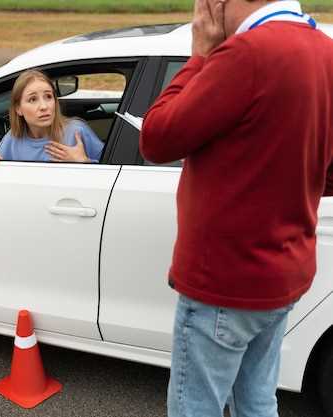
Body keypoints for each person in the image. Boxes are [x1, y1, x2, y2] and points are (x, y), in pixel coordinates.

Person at [139, 0, 333, 416]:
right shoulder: (323, 49)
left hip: (226, 281)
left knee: (196, 407)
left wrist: (199, 56)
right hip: (285, 273)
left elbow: (155, 138)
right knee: (257, 399)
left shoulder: (245, 55)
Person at [0, 70, 104, 167]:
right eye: (33, 99)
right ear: (18, 109)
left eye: (48, 97)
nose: (44, 106)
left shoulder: (76, 131)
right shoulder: (12, 139)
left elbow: (115, 174)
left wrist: (84, 162)